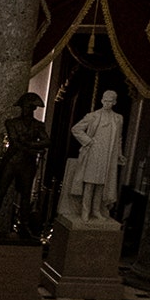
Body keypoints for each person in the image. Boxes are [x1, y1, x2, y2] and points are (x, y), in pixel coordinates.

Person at [0, 92, 46, 239]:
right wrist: (35, 147)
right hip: (12, 161)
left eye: (29, 107)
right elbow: (15, 142)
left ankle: (24, 227)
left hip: (28, 164)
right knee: (0, 193)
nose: (26, 109)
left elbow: (47, 141)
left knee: (26, 196)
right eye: (25, 106)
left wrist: (30, 145)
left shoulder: (39, 125)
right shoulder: (11, 123)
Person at [65, 89, 125, 221]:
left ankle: (96, 210)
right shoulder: (93, 116)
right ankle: (85, 211)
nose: (107, 103)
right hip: (94, 152)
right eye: (105, 101)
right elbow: (76, 129)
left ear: (114, 102)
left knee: (101, 184)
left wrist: (119, 154)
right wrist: (88, 141)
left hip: (108, 155)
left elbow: (119, 138)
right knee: (90, 182)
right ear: (102, 100)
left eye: (110, 101)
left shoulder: (118, 118)